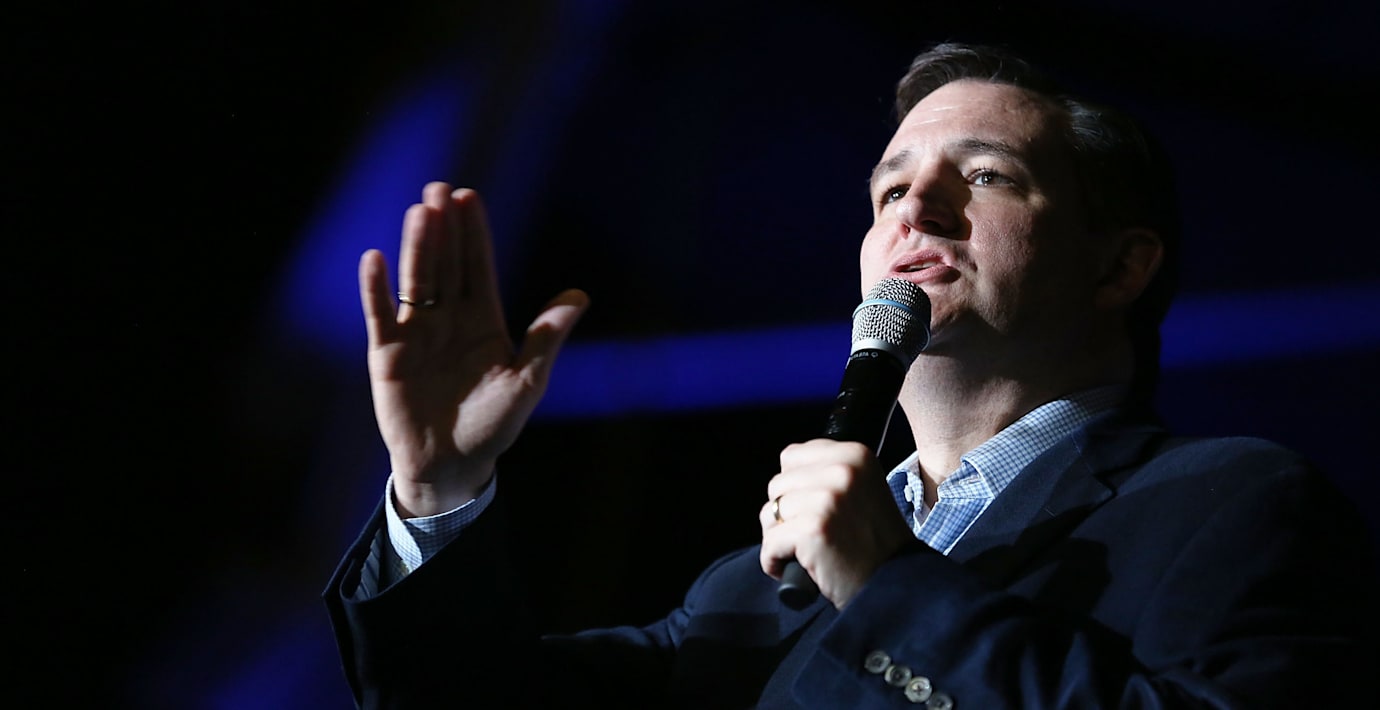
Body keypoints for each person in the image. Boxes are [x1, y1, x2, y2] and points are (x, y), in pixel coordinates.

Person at [324, 43, 1378, 708]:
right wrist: (439, 488)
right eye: (889, 190)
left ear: (1119, 267)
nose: (916, 208)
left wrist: (886, 586)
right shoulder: (749, 588)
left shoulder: (1234, 502)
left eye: (986, 175)